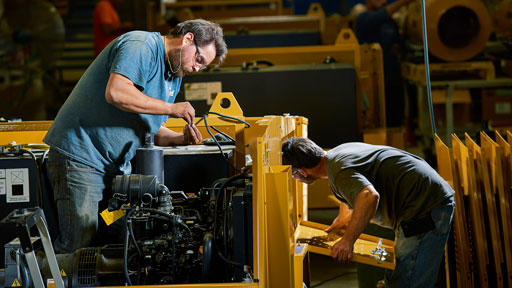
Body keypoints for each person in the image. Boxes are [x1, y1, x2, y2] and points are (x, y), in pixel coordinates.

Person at [44, 19, 228, 253]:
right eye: (199, 60)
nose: (196, 68)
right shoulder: (141, 45)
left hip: (115, 170)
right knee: (79, 245)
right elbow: (117, 92)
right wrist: (171, 108)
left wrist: (181, 139)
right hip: (82, 159)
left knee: (125, 236)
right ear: (188, 39)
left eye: (203, 66)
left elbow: (151, 130)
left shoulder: (173, 76)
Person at [282, 137, 454, 287]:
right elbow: (353, 188)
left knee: (408, 280)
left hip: (425, 206)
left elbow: (369, 195)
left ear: (301, 171)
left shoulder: (339, 172)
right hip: (424, 199)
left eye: (293, 175)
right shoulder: (338, 154)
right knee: (399, 276)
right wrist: (344, 218)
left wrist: (348, 240)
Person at [355, 0, 414, 128]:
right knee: (377, 117)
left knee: (395, 116)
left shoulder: (390, 21)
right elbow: (379, 16)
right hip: (373, 79)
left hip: (393, 76)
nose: (384, 1)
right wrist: (403, 2)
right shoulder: (363, 18)